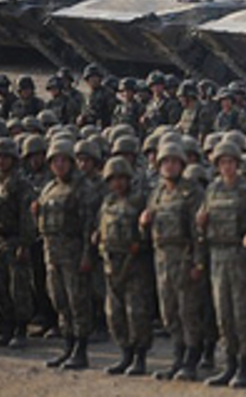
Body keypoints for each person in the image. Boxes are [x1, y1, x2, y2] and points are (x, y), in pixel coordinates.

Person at [198, 140, 246, 388]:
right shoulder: (212, 190)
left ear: (238, 164)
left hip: (239, 255)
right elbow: (202, 223)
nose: (227, 167)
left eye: (231, 162)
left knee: (242, 313)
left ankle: (245, 364)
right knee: (223, 313)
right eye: (222, 162)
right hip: (217, 255)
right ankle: (230, 363)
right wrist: (201, 223)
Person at [141, 141, 206, 381]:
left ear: (182, 164)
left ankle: (191, 358)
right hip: (162, 258)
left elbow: (198, 232)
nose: (169, 166)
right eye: (165, 162)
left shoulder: (192, 192)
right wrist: (143, 223)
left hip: (184, 257)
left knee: (188, 310)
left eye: (173, 161)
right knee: (169, 312)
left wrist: (198, 263)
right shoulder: (157, 192)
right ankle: (178, 356)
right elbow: (148, 230)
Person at [35, 139, 96, 370]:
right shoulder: (49, 188)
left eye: (63, 160)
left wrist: (87, 255)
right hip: (52, 252)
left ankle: (81, 349)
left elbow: (89, 225)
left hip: (73, 252)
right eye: (55, 161)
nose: (59, 165)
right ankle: (68, 345)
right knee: (59, 300)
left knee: (77, 301)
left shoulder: (83, 188)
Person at [95, 157, 153, 376]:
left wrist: (142, 234)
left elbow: (147, 234)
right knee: (115, 314)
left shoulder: (139, 201)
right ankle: (125, 353)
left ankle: (140, 357)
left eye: (121, 178)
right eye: (113, 179)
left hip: (134, 265)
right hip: (111, 264)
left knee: (137, 312)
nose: (117, 183)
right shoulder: (107, 202)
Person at [0, 137, 36, 349]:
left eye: (5, 157)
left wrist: (25, 243)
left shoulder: (20, 185)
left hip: (15, 240)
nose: (0, 161)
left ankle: (21, 330)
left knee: (18, 288)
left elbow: (27, 217)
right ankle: (7, 327)